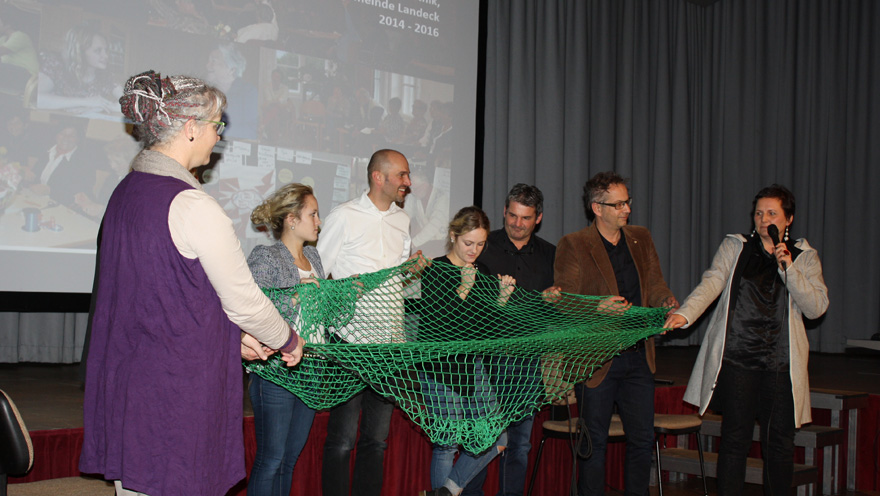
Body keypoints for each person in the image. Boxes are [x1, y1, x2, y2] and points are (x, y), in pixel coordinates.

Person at [79, 70, 304, 496]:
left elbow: (161, 295)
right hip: (175, 391)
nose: (218, 137)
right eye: (217, 126)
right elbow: (244, 301)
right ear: (189, 129)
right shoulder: (192, 204)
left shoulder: (125, 192)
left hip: (132, 384)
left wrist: (231, 338)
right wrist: (288, 340)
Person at [665, 184, 829, 495]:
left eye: (771, 213)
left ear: (788, 219)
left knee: (779, 443)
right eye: (758, 213)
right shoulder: (736, 247)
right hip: (739, 359)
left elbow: (816, 308)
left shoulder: (804, 256)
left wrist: (789, 268)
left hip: (781, 365)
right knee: (735, 439)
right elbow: (711, 283)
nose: (763, 218)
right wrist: (685, 314)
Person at [554, 171, 678, 496]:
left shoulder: (641, 237)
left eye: (628, 201)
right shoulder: (574, 244)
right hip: (597, 361)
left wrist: (665, 300)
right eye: (619, 204)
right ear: (597, 208)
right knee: (593, 443)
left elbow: (654, 282)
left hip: (638, 357)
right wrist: (598, 308)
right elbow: (564, 301)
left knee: (642, 440)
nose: (627, 209)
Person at [317, 148, 414, 496]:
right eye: (402, 175)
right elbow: (317, 276)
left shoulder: (402, 221)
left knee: (377, 440)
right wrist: (341, 294)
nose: (408, 182)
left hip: (389, 346)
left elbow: (395, 281)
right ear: (378, 177)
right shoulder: (343, 216)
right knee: (342, 440)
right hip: (350, 342)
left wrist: (409, 273)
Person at [463, 184, 557, 496]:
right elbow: (468, 302)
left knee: (519, 444)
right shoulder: (483, 247)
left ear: (538, 218)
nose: (517, 223)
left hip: (526, 362)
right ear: (504, 212)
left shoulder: (551, 256)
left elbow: (554, 312)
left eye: (526, 218)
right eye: (512, 215)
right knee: (482, 440)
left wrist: (549, 301)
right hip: (485, 361)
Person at [416, 206, 515, 496]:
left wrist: (502, 299)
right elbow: (440, 326)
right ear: (453, 236)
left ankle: (447, 490)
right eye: (468, 243)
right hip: (439, 368)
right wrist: (463, 288)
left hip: (471, 367)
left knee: (498, 437)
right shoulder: (436, 269)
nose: (474, 250)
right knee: (447, 443)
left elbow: (488, 329)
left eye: (481, 244)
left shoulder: (482, 271)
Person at [246, 182, 324, 496]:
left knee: (289, 459)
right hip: (276, 371)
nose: (319, 221)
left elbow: (326, 318)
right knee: (271, 459)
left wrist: (344, 296)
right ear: (292, 219)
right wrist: (296, 297)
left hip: (312, 371)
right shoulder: (266, 256)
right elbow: (251, 305)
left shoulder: (315, 259)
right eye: (314, 214)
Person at [37, 22, 121, 113]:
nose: (106, 56)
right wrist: (85, 102)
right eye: (98, 50)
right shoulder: (56, 65)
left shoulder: (105, 74)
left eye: (106, 50)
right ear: (80, 51)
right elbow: (38, 98)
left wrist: (104, 107)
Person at [205, 42, 259, 140]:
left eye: (214, 61)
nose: (207, 65)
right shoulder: (205, 91)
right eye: (209, 61)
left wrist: (216, 131)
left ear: (231, 70)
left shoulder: (248, 92)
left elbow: (251, 131)